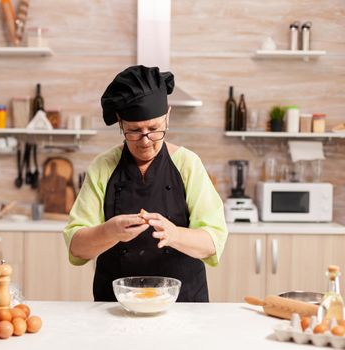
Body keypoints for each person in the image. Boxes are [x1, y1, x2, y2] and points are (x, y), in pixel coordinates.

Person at [63, 65, 227, 302]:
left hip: (183, 305)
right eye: (134, 131)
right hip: (115, 307)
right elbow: (76, 247)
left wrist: (174, 234)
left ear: (167, 117)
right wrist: (109, 232)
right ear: (120, 123)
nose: (146, 140)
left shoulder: (188, 164)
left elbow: (213, 242)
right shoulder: (103, 167)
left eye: (154, 129)